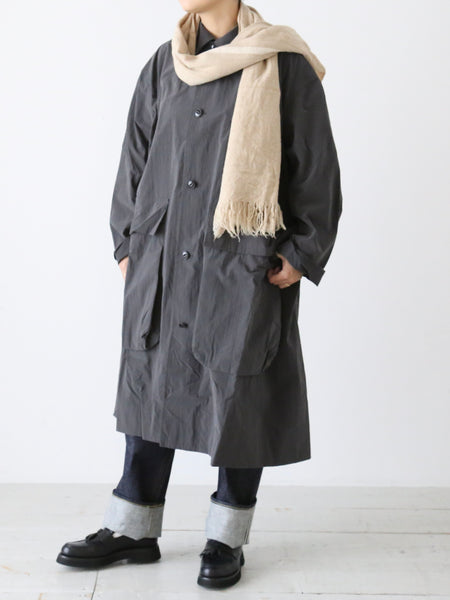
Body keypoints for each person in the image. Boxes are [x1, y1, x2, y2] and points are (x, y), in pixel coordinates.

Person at [56, 0, 343, 589]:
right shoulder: (166, 63)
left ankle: (226, 537)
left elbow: (315, 165)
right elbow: (135, 156)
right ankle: (134, 530)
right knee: (151, 385)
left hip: (240, 260)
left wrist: (301, 251)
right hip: (163, 259)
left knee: (241, 391)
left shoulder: (281, 62)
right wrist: (127, 243)